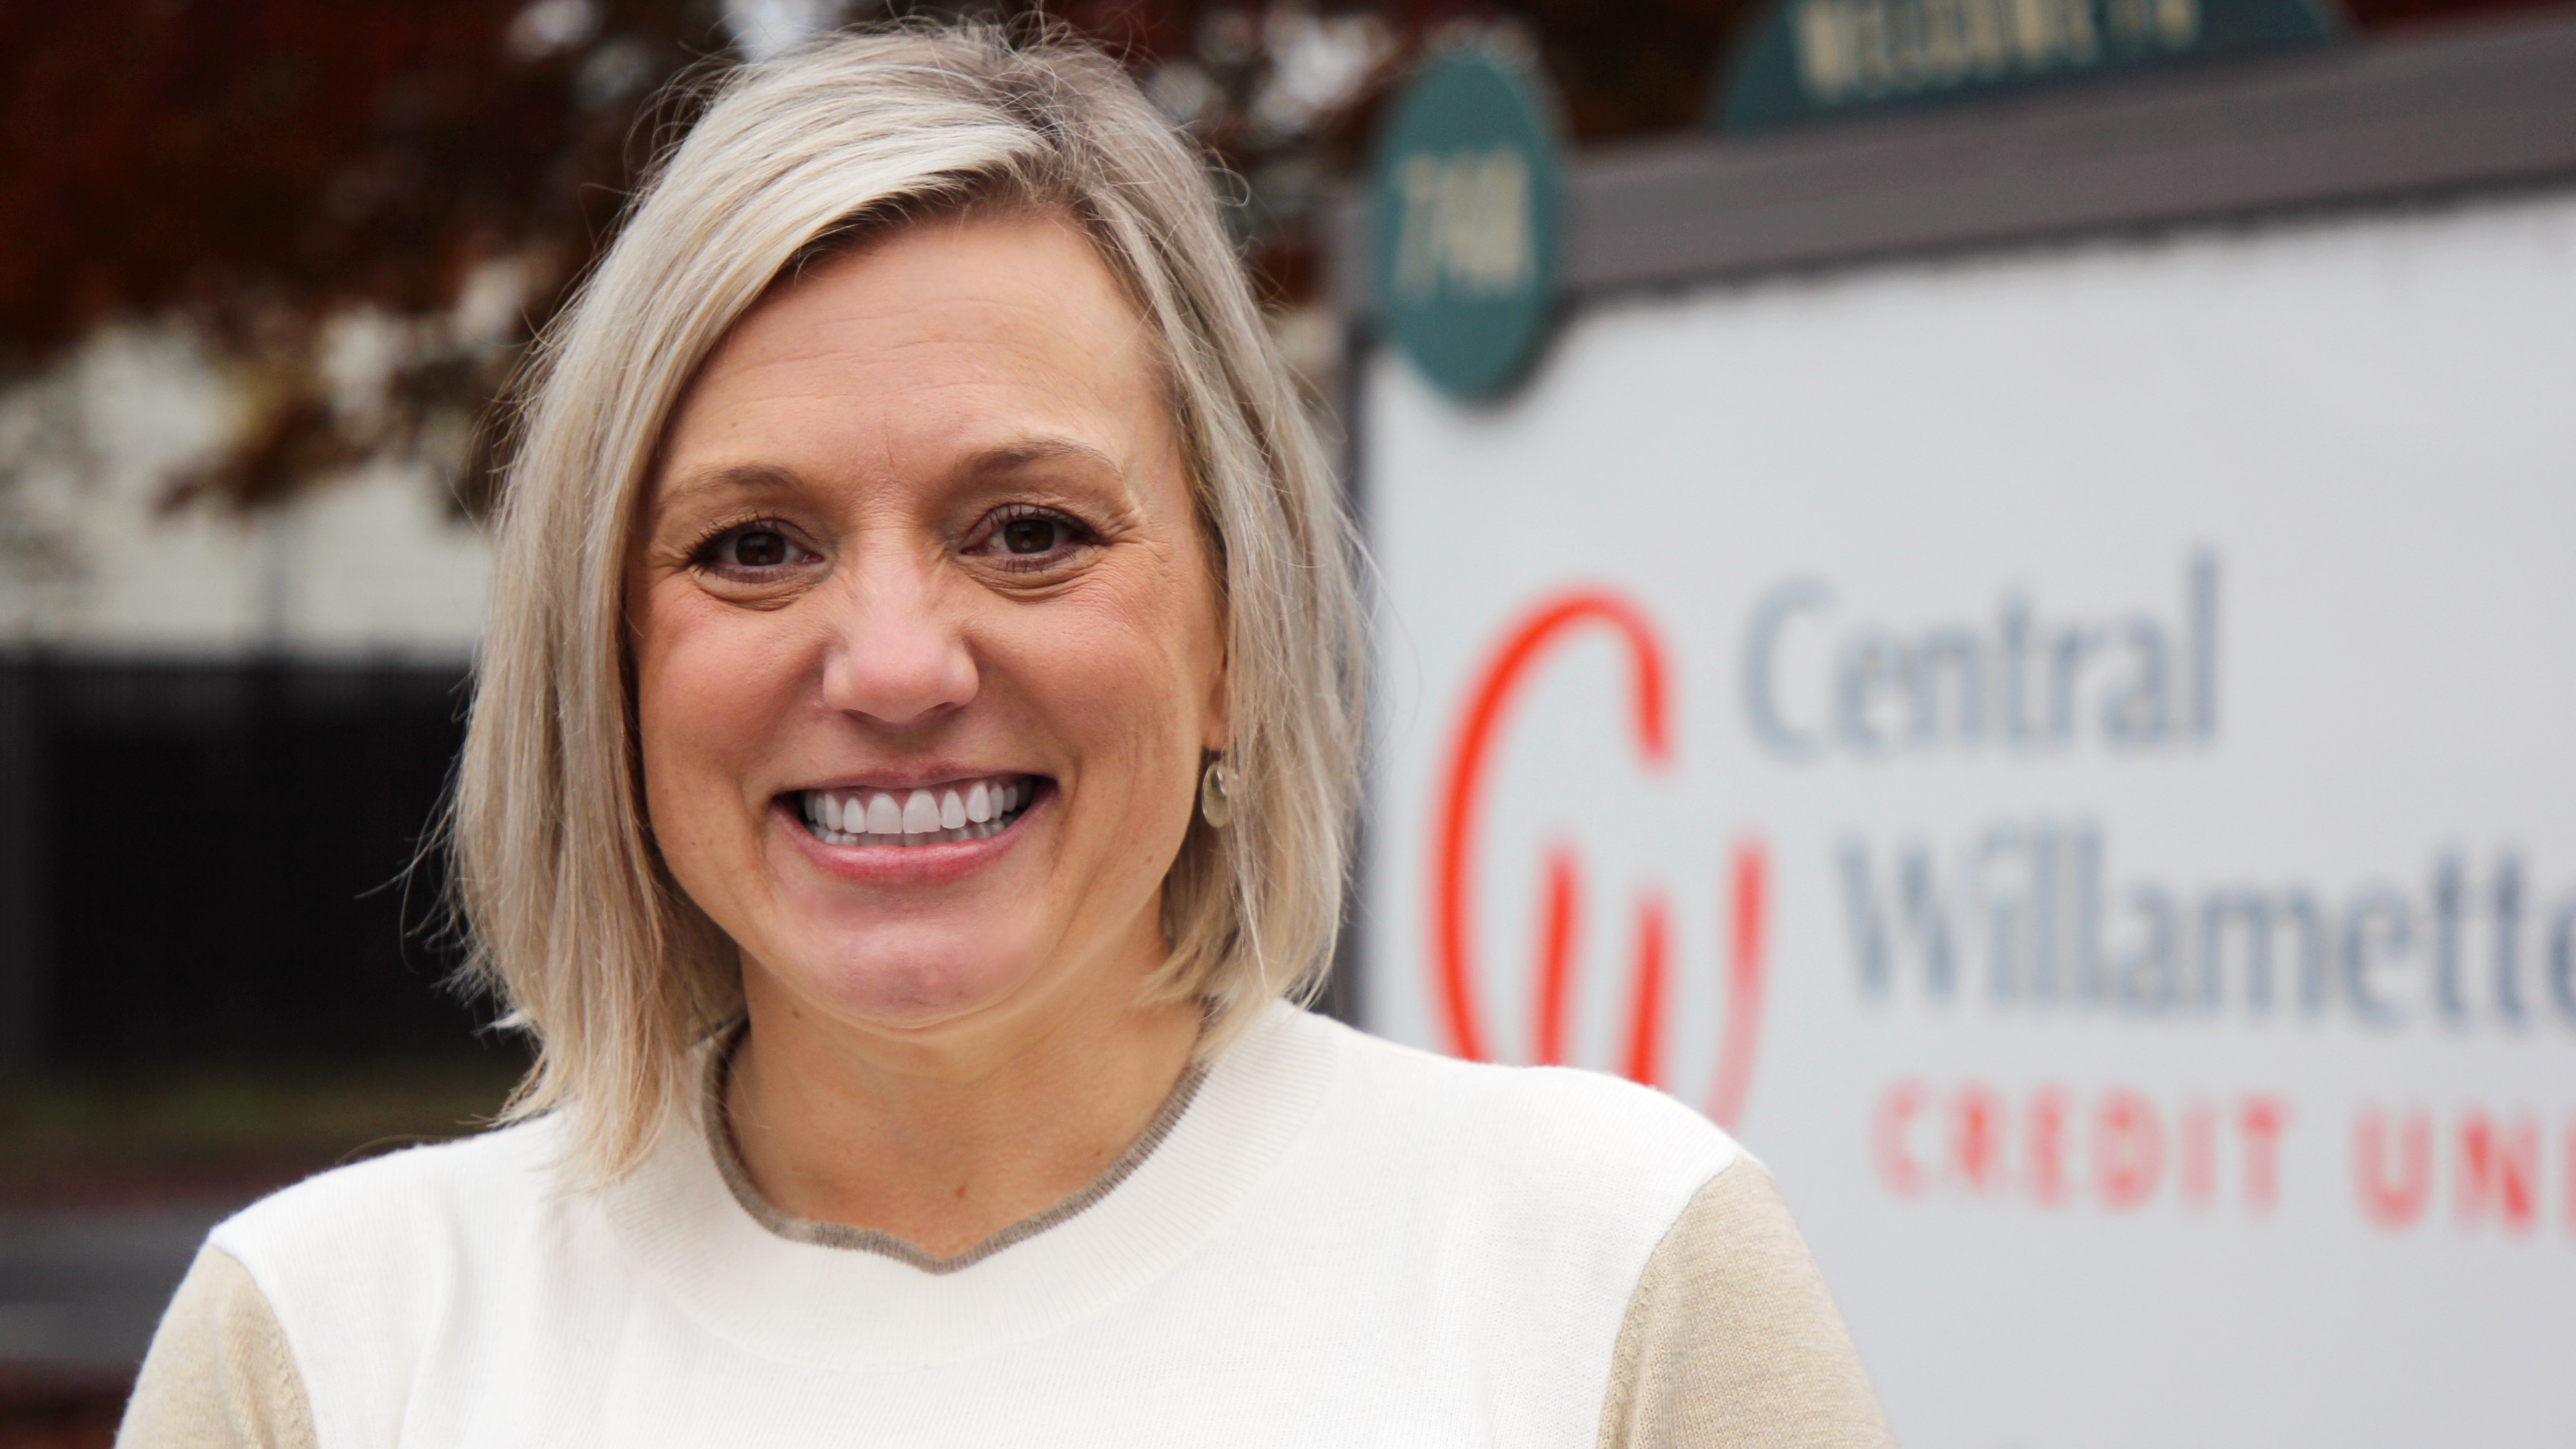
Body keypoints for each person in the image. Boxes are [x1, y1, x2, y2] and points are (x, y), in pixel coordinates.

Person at [119, 24, 1891, 1448]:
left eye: (1030, 529)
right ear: (612, 673)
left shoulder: (1612, 1275)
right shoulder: (325, 1354)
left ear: (1231, 643)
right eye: (756, 546)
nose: (894, 664)